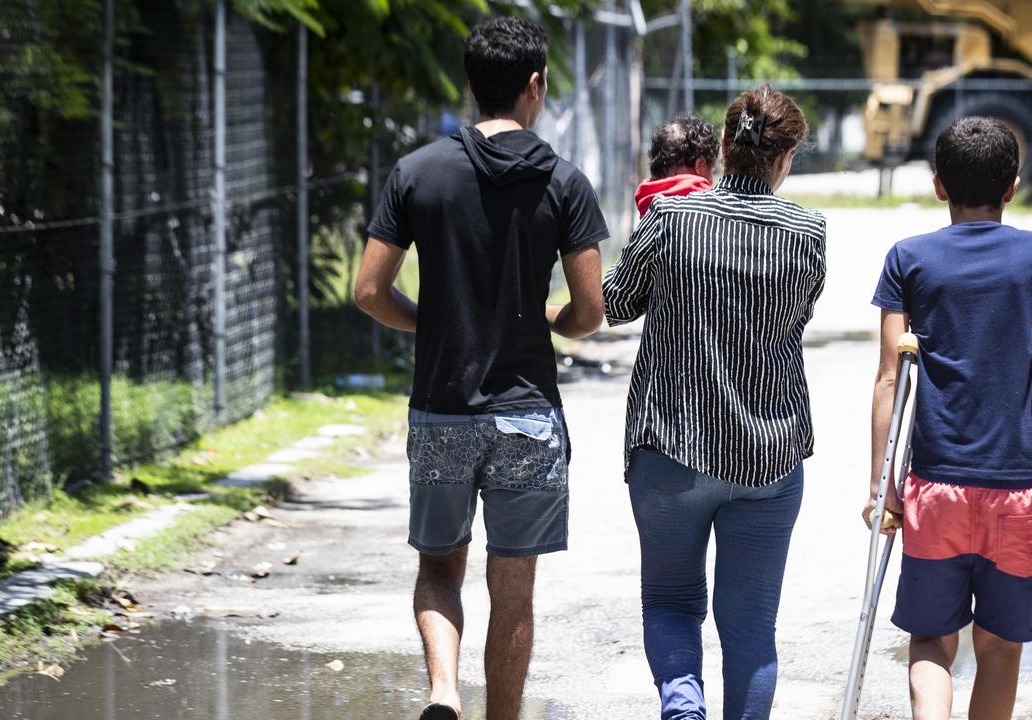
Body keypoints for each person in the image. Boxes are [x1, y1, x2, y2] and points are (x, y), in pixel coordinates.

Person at [354, 16, 608, 720]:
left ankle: (443, 693)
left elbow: (369, 291)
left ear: (470, 85)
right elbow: (589, 309)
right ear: (535, 85)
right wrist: (551, 320)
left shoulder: (418, 173)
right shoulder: (564, 182)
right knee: (514, 586)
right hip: (528, 412)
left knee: (439, 566)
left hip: (442, 407)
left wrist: (430, 321)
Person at [603, 85, 826, 720]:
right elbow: (796, 317)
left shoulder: (668, 222)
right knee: (751, 628)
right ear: (786, 158)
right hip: (769, 458)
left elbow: (616, 304)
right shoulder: (809, 233)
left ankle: (682, 709)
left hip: (671, 450)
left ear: (722, 147)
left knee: (672, 602)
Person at [864, 116, 1032, 720]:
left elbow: (891, 374)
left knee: (931, 642)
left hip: (934, 491)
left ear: (939, 185)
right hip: (1017, 490)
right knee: (997, 648)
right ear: (1013, 186)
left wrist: (880, 486)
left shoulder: (908, 259)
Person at [634, 115, 719, 217]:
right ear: (700, 164)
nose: (711, 181)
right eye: (711, 171)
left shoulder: (645, 204)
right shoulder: (709, 209)